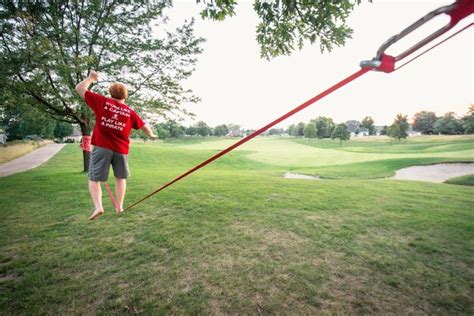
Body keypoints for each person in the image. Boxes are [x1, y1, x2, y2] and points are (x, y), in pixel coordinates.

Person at [75, 71, 157, 220]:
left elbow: (80, 89)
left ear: (110, 93)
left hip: (102, 147)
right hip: (121, 149)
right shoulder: (129, 112)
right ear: (125, 96)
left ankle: (99, 207)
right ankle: (119, 207)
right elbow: (144, 126)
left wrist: (91, 78)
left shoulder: (102, 102)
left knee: (94, 178)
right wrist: (151, 135)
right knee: (120, 178)